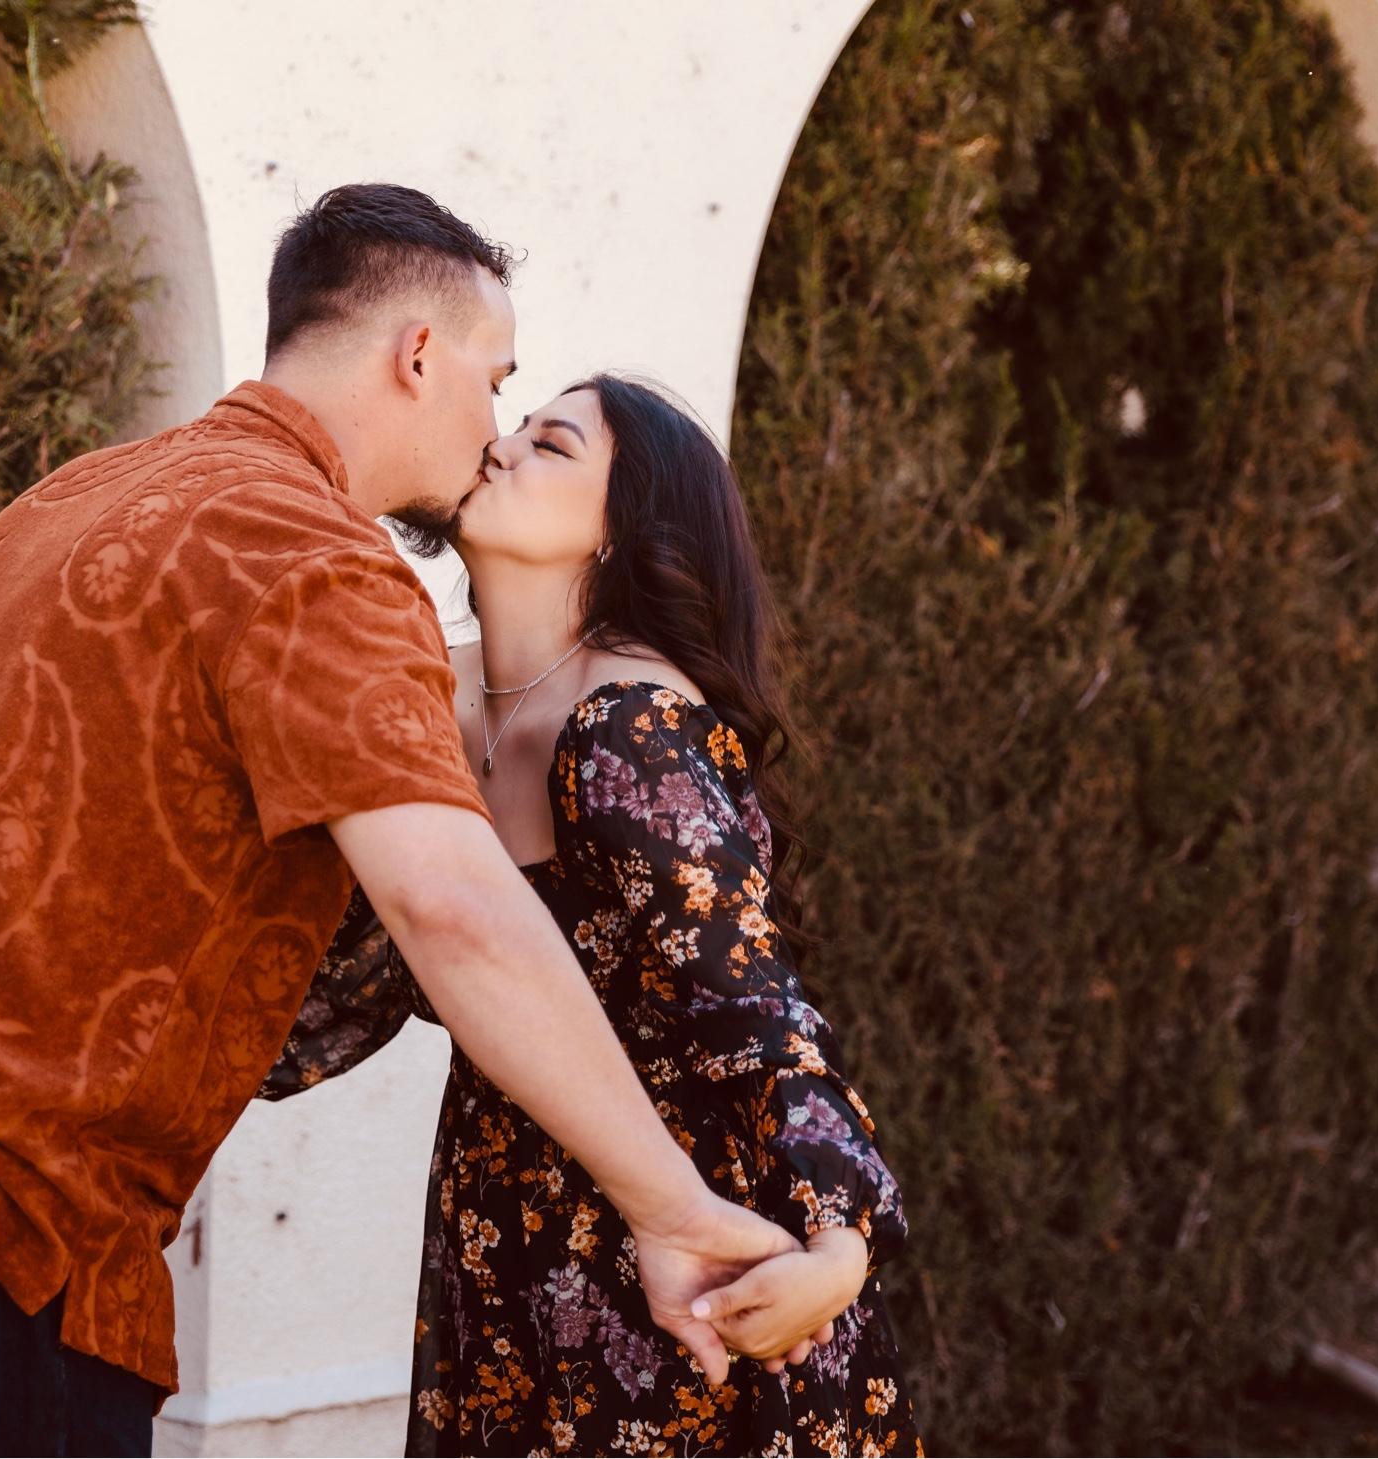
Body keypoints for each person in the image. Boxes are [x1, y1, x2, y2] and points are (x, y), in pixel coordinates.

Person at [0, 186, 817, 1455]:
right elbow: (449, 907)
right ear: (418, 356)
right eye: (496, 384)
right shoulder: (320, 562)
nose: (493, 432)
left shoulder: (70, 501)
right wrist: (672, 1211)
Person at [265, 374, 923, 1457]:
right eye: (518, 426)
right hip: (503, 1233)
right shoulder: (419, 700)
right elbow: (336, 994)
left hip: (702, 1260)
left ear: (621, 531)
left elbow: (754, 1008)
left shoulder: (629, 726)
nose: (502, 446)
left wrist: (839, 1243)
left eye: (552, 444)